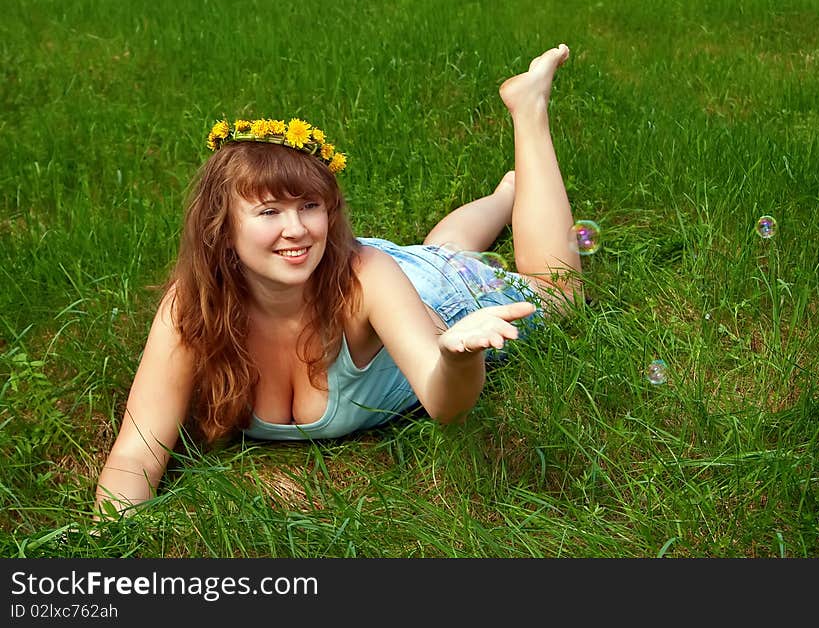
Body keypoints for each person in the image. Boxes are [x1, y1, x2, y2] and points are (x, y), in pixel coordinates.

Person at [95, 43, 582, 517]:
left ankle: (528, 108)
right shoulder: (194, 309)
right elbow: (135, 455)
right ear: (221, 231)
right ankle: (506, 195)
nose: (298, 228)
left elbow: (445, 405)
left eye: (310, 205)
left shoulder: (364, 279)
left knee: (560, 292)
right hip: (376, 272)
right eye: (270, 211)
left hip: (424, 293)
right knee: (442, 252)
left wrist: (458, 358)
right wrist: (105, 548)